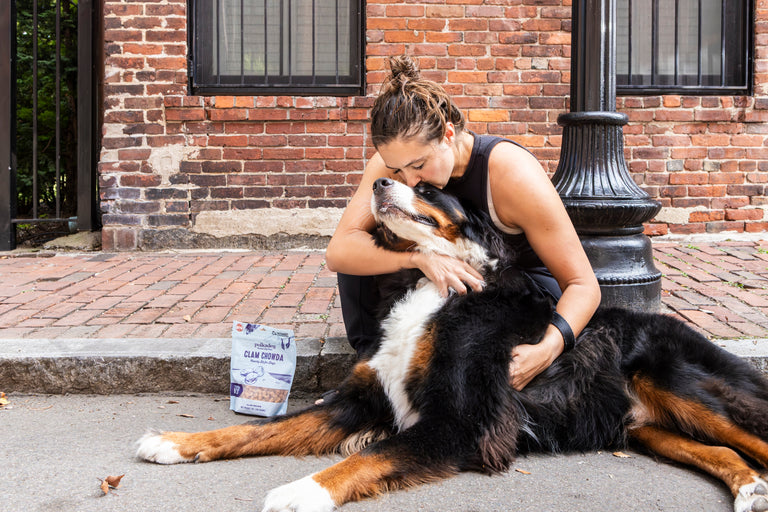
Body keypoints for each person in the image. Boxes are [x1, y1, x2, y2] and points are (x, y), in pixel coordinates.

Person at [325, 56, 601, 391]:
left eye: (418, 165)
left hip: (519, 293)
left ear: (447, 134)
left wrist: (547, 350)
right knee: (367, 245)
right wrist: (419, 259)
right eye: (397, 170)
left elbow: (584, 285)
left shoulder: (511, 172)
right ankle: (370, 377)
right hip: (447, 290)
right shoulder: (397, 160)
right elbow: (339, 251)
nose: (408, 180)